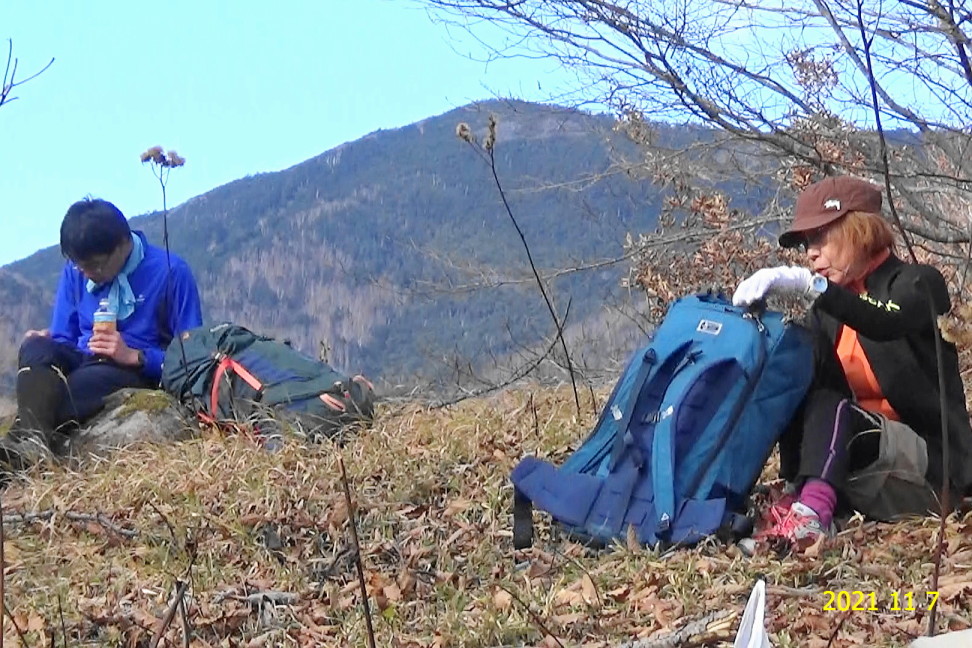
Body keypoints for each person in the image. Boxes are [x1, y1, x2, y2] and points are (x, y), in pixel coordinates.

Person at [732, 176, 972, 549]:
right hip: (863, 464)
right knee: (798, 382)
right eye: (806, 243)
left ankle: (811, 516)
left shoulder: (918, 284)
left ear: (860, 230)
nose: (811, 253)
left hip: (933, 470)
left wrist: (811, 287)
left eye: (821, 236)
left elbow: (884, 320)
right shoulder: (829, 312)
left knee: (832, 403)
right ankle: (801, 499)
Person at [1, 198, 203, 468]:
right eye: (79, 266)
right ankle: (30, 445)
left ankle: (19, 453)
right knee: (35, 348)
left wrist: (136, 356)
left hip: (126, 369)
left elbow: (193, 358)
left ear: (123, 244)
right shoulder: (78, 272)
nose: (87, 274)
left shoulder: (170, 272)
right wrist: (45, 340)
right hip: (82, 357)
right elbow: (64, 338)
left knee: (59, 395)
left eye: (95, 265)